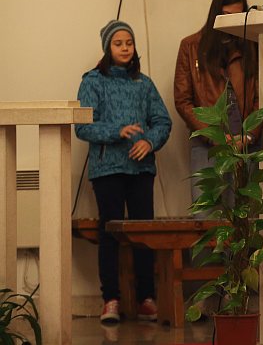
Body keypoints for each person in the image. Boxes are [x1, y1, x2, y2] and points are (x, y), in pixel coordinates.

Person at [75, 20, 172, 323]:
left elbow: (163, 122)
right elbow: (82, 126)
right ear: (107, 47)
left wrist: (149, 142)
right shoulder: (92, 81)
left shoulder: (144, 83)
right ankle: (111, 300)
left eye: (128, 42)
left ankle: (146, 298)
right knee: (110, 234)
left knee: (144, 234)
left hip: (141, 169)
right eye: (118, 43)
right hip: (107, 170)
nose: (125, 48)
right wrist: (118, 131)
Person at [173, 0, 260, 205]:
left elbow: (262, 97)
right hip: (206, 141)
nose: (231, 21)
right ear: (215, 13)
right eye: (226, 15)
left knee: (243, 216)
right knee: (206, 211)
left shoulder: (253, 46)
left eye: (238, 16)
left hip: (245, 141)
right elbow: (183, 100)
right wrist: (212, 136)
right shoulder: (191, 46)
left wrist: (249, 135)